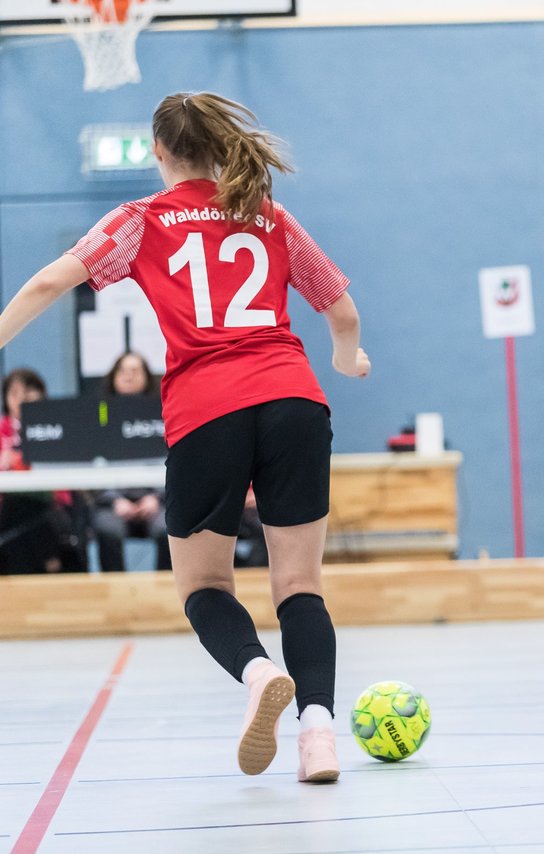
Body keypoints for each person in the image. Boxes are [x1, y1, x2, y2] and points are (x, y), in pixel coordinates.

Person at [0, 92, 370, 782]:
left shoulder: (143, 219)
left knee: (203, 586)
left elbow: (53, 280)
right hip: (293, 399)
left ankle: (258, 674)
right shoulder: (269, 215)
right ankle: (318, 731)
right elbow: (341, 311)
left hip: (208, 409)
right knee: (300, 585)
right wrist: (348, 361)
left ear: (159, 152)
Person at [91, 351, 172, 572]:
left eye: (136, 371)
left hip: (156, 500)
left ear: (146, 376)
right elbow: (94, 465)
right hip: (114, 502)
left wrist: (156, 498)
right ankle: (114, 596)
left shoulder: (164, 413)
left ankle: (166, 594)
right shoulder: (99, 415)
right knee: (107, 529)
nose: (129, 376)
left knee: (169, 528)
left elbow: (172, 460)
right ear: (114, 376)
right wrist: (115, 500)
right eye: (123, 371)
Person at [0, 368, 86, 574]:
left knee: (32, 512)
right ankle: (48, 562)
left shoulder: (55, 427)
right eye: (15, 393)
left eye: (28, 393)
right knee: (18, 510)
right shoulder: (2, 430)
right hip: (8, 506)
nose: (21, 399)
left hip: (52, 502)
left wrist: (19, 461)